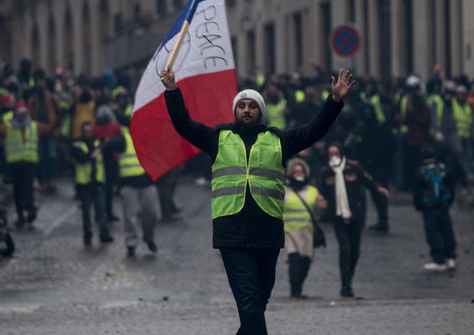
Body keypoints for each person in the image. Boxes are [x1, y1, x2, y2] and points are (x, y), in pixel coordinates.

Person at [161, 66, 353, 335]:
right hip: (232, 236)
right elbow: (184, 124)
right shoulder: (218, 139)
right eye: (242, 106)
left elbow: (313, 131)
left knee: (257, 305)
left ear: (260, 112)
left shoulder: (278, 141)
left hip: (268, 234)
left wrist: (334, 102)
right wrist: (172, 90)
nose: (247, 110)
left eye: (252, 106)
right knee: (250, 306)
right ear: (235, 111)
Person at [318, 143, 389, 297]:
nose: (334, 157)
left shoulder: (354, 167)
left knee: (355, 251)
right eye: (331, 154)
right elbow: (322, 191)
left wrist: (378, 189)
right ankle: (346, 285)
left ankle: (349, 278)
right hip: (337, 217)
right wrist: (321, 201)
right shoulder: (326, 173)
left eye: (336, 153)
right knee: (345, 249)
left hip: (355, 215)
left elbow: (368, 181)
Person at [283, 158, 326, 298]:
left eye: (301, 171)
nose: (298, 174)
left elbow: (319, 212)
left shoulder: (312, 191)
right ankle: (294, 291)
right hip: (290, 232)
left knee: (306, 262)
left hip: (307, 232)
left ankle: (299, 288)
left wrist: (321, 206)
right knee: (294, 260)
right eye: (295, 172)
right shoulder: (284, 191)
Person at [412, 144, 457, 271]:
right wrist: (449, 202)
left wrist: (419, 207)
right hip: (443, 205)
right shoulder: (443, 169)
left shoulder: (420, 171)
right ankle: (451, 257)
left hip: (429, 207)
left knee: (433, 232)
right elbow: (452, 187)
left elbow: (417, 192)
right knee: (447, 230)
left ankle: (439, 260)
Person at [71, 121, 117, 246]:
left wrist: (105, 144)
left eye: (90, 131)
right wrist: (96, 152)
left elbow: (109, 156)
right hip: (84, 183)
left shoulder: (98, 143)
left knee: (101, 210)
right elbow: (81, 158)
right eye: (85, 131)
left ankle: (104, 234)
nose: (88, 133)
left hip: (98, 182)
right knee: (86, 212)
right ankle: (87, 235)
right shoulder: (77, 144)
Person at [118, 123, 160, 257]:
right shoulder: (123, 139)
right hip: (129, 185)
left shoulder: (149, 139)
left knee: (152, 214)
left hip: (148, 183)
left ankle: (149, 237)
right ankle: (131, 243)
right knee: (130, 216)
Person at [0, 102, 39, 227]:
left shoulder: (33, 126)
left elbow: (49, 129)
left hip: (29, 162)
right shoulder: (8, 127)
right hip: (15, 163)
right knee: (18, 190)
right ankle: (20, 214)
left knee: (28, 187)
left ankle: (30, 210)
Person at [27, 69, 61, 192]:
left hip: (51, 132)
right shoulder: (32, 100)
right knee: (41, 158)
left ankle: (51, 179)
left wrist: (57, 127)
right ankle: (44, 180)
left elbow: (59, 113)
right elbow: (30, 116)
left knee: (51, 156)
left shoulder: (52, 98)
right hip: (38, 132)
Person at [92, 105, 122, 222]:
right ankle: (107, 213)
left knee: (100, 189)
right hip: (110, 161)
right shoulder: (115, 126)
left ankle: (100, 213)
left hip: (99, 160)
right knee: (108, 189)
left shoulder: (95, 128)